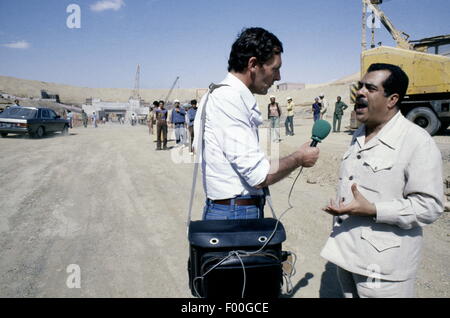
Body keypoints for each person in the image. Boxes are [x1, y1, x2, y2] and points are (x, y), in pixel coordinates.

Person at [320, 63, 443, 298]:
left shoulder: (416, 141)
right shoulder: (359, 134)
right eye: (360, 87)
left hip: (383, 268)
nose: (361, 93)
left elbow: (430, 206)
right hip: (347, 256)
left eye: (371, 88)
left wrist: (374, 209)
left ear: (392, 99)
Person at [194, 27, 319, 221]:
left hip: (235, 211)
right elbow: (259, 176)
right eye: (275, 69)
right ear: (253, 64)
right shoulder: (227, 98)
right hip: (235, 215)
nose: (278, 77)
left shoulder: (225, 95)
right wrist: (299, 158)